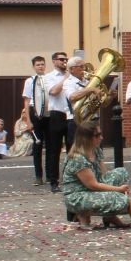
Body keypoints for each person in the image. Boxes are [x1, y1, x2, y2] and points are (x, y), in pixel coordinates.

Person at [62, 121, 131, 230]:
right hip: (78, 195)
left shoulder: (95, 150)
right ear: (86, 138)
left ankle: (109, 216)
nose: (101, 137)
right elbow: (93, 185)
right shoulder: (78, 158)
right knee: (121, 200)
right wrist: (118, 190)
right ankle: (82, 214)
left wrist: (113, 187)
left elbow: (104, 175)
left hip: (91, 188)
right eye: (97, 135)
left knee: (121, 173)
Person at [43, 52, 74, 191]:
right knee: (54, 150)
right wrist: (66, 78)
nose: (64, 62)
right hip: (56, 114)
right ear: (54, 61)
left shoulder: (72, 76)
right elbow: (54, 91)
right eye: (61, 59)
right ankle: (54, 182)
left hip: (70, 114)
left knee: (71, 150)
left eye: (66, 59)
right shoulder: (48, 77)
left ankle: (69, 179)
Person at [21, 55, 48, 186]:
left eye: (42, 64)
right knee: (37, 145)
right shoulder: (29, 81)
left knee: (51, 145)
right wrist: (28, 121)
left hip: (48, 112)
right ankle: (38, 176)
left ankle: (50, 175)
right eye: (38, 65)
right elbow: (26, 101)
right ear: (33, 66)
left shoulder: (49, 79)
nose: (40, 66)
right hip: (34, 111)